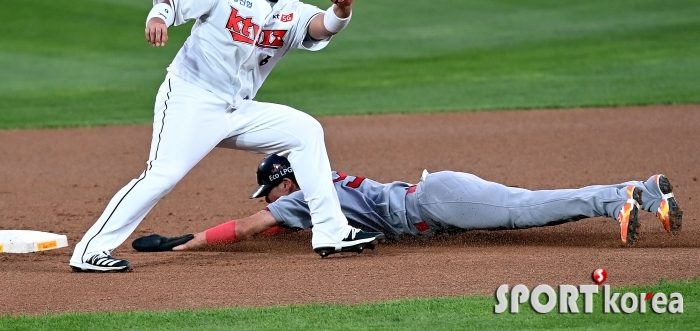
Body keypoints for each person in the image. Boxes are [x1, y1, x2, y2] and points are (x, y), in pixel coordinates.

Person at [69, 0, 383, 272]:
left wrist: (342, 7)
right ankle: (89, 251)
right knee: (163, 175)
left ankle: (331, 232)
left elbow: (321, 26)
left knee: (305, 131)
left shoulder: (294, 11)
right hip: (191, 99)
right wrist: (158, 16)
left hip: (239, 109)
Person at [132, 154, 683, 255]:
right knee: (523, 206)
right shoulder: (319, 193)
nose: (271, 201)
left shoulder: (303, 197)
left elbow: (255, 226)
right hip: (436, 196)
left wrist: (187, 242)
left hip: (437, 201)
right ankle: (647, 189)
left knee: (525, 209)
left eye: (270, 190)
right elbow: (272, 228)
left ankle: (622, 198)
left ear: (284, 183)